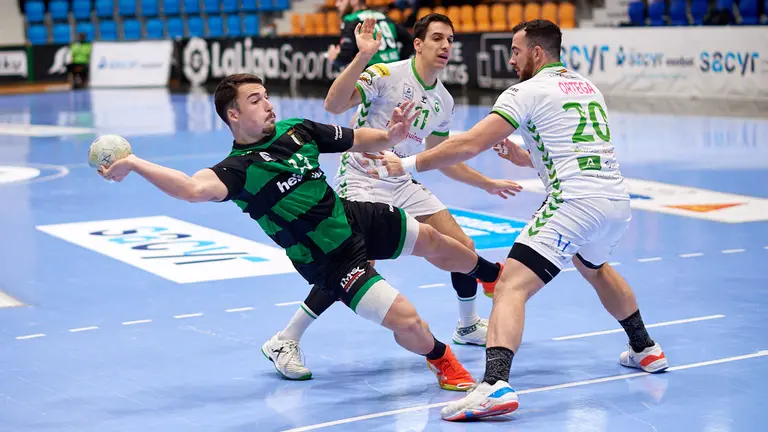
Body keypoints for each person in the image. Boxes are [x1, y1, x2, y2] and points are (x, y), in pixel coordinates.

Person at [98, 73, 506, 392]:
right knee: (409, 321)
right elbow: (190, 189)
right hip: (330, 260)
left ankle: (489, 275)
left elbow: (354, 139)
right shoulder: (238, 170)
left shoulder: (296, 130)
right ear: (233, 115)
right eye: (255, 100)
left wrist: (390, 136)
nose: (268, 104)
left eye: (266, 96)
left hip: (352, 217)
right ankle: (441, 358)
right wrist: (134, 163)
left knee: (436, 242)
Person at [368, 19, 669, 421]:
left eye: (516, 51)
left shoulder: (525, 91)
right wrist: (525, 158)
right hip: (615, 201)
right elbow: (578, 151)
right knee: (594, 267)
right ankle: (646, 348)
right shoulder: (587, 88)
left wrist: (405, 164)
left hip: (573, 203)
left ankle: (494, 385)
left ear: (537, 53)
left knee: (509, 284)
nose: (511, 60)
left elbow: (469, 143)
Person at [266, 14, 523, 381]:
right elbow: (334, 105)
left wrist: (486, 184)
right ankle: (285, 339)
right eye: (437, 38)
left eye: (450, 40)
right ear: (418, 44)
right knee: (354, 264)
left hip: (401, 179)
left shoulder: (444, 100)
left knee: (461, 245)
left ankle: (467, 325)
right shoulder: (386, 74)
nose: (445, 46)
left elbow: (441, 157)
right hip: (362, 178)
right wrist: (362, 56)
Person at [327, 0, 414, 71]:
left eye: (341, 0)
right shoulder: (385, 17)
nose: (337, 4)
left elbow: (345, 56)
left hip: (371, 75)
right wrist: (399, 60)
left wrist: (335, 58)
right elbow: (410, 41)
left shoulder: (350, 20)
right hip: (393, 71)